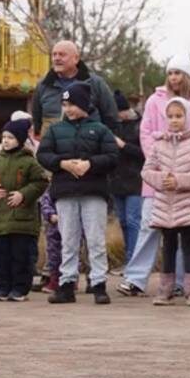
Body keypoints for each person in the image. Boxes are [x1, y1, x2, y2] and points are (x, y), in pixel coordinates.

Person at [117, 56, 190, 297]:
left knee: (185, 234)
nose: (173, 78)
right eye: (170, 72)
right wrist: (162, 165)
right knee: (148, 226)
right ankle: (136, 278)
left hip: (188, 181)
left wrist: (186, 167)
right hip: (159, 180)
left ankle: (182, 283)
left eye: (178, 73)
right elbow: (147, 133)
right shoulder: (154, 100)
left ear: (187, 75)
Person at [36, 83, 119, 305]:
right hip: (65, 192)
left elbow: (112, 157)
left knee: (95, 239)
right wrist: (62, 163)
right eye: (65, 104)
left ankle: (99, 283)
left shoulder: (100, 129)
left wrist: (90, 164)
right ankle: (66, 283)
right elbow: (43, 154)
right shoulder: (55, 130)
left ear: (84, 104)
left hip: (93, 191)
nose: (69, 109)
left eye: (72, 104)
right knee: (68, 239)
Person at [141, 97, 190, 306]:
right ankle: (165, 290)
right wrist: (163, 181)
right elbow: (146, 171)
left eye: (179, 116)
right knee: (168, 246)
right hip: (165, 205)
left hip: (189, 205)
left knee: (189, 246)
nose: (174, 120)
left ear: (188, 117)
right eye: (170, 116)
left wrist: (180, 181)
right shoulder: (158, 145)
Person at [0, 119, 48, 301]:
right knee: (2, 257)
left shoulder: (30, 162)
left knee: (21, 256)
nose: (6, 141)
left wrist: (24, 194)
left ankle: (20, 289)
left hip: (23, 219)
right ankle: (3, 288)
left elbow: (41, 182)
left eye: (10, 137)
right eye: (4, 137)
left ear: (20, 140)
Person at [31, 40, 118, 137]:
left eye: (62, 55)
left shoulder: (95, 83)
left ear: (76, 59)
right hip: (51, 147)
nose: (56, 58)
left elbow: (111, 116)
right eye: (54, 55)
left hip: (88, 146)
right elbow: (36, 116)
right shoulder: (43, 85)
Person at [109, 90, 143, 265]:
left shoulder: (140, 124)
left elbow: (145, 153)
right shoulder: (113, 125)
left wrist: (124, 146)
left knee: (133, 221)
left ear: (124, 110)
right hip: (116, 182)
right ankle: (128, 260)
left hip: (136, 182)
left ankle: (134, 262)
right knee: (122, 221)